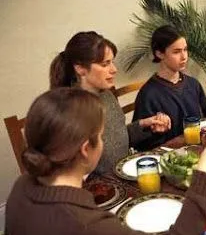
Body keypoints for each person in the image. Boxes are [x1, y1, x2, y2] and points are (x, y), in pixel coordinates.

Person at [5, 87, 206, 235]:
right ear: (85, 150)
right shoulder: (88, 229)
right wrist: (204, 178)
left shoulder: (22, 187)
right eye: (101, 137)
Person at [49, 31, 171, 174]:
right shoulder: (68, 111)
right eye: (105, 64)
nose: (114, 69)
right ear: (80, 68)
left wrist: (145, 125)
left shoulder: (106, 95)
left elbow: (116, 141)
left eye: (112, 62)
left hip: (123, 175)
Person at [132, 25, 206, 151]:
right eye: (176, 52)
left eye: (185, 50)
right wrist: (156, 131)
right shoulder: (148, 94)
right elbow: (141, 144)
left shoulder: (193, 84)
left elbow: (203, 118)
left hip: (199, 150)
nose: (184, 57)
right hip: (172, 160)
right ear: (159, 53)